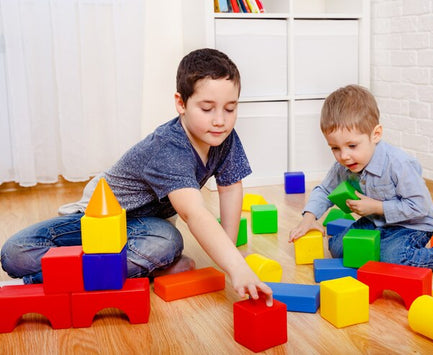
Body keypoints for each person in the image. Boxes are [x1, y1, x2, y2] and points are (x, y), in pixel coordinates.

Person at [1, 48, 273, 304]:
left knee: (165, 240)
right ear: (181, 103)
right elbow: (194, 213)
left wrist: (229, 255)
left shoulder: (224, 138)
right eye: (207, 108)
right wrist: (236, 267)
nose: (220, 120)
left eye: (230, 109)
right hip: (101, 219)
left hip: (145, 226)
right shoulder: (169, 146)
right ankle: (51, 278)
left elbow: (229, 188)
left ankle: (138, 265)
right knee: (15, 252)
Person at [288, 84, 433, 271]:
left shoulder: (398, 164)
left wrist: (377, 207)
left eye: (352, 146)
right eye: (335, 148)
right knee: (338, 248)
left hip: (411, 226)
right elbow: (324, 191)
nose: (344, 156)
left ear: (376, 134)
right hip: (374, 223)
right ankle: (378, 249)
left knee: (394, 258)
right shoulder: (343, 166)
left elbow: (420, 206)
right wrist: (308, 219)